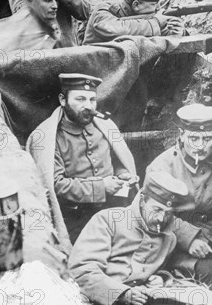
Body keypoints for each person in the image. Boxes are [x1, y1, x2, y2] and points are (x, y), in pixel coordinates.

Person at [26, 73, 137, 247]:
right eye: (80, 99)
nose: (88, 106)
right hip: (76, 220)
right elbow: (55, 185)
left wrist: (123, 174)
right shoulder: (47, 138)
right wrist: (101, 187)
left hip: (113, 208)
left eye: (92, 100)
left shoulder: (104, 127)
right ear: (63, 100)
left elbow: (117, 161)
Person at [146, 104, 212, 288]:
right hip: (172, 238)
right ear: (181, 134)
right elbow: (150, 213)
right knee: (206, 272)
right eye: (193, 138)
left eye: (207, 138)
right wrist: (189, 238)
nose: (200, 146)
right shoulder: (162, 165)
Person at [68, 171, 189, 305]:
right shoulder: (108, 220)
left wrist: (160, 278)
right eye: (157, 210)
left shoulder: (169, 238)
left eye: (168, 213)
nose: (161, 219)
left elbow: (162, 268)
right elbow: (81, 270)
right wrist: (122, 293)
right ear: (143, 201)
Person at [83, 0, 184, 44]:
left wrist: (174, 31)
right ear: (136, 5)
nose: (158, 9)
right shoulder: (103, 11)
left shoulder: (146, 20)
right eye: (153, 5)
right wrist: (156, 23)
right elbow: (117, 30)